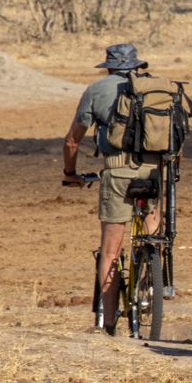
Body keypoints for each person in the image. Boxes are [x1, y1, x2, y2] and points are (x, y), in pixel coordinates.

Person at [63, 43, 161, 334]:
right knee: (152, 232)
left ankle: (107, 324)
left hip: (117, 170)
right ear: (137, 66)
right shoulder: (156, 89)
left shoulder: (97, 90)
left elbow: (72, 141)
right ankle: (152, 277)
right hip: (153, 171)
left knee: (110, 250)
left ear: (108, 67)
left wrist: (70, 174)